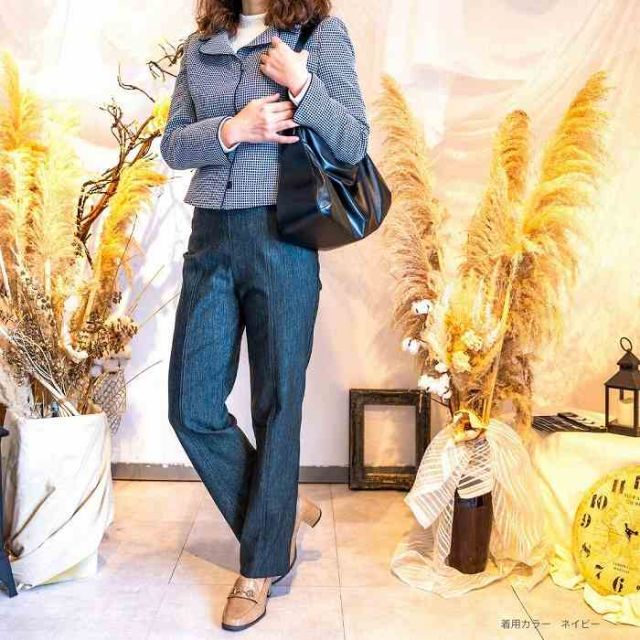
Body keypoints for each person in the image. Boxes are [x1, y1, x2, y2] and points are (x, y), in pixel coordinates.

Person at [160, 0, 369, 631]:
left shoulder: (318, 34)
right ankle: (278, 509)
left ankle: (260, 567)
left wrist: (302, 83)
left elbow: (354, 140)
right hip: (211, 238)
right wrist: (232, 128)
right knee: (191, 406)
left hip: (284, 238)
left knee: (277, 403)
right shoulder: (201, 46)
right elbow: (172, 145)